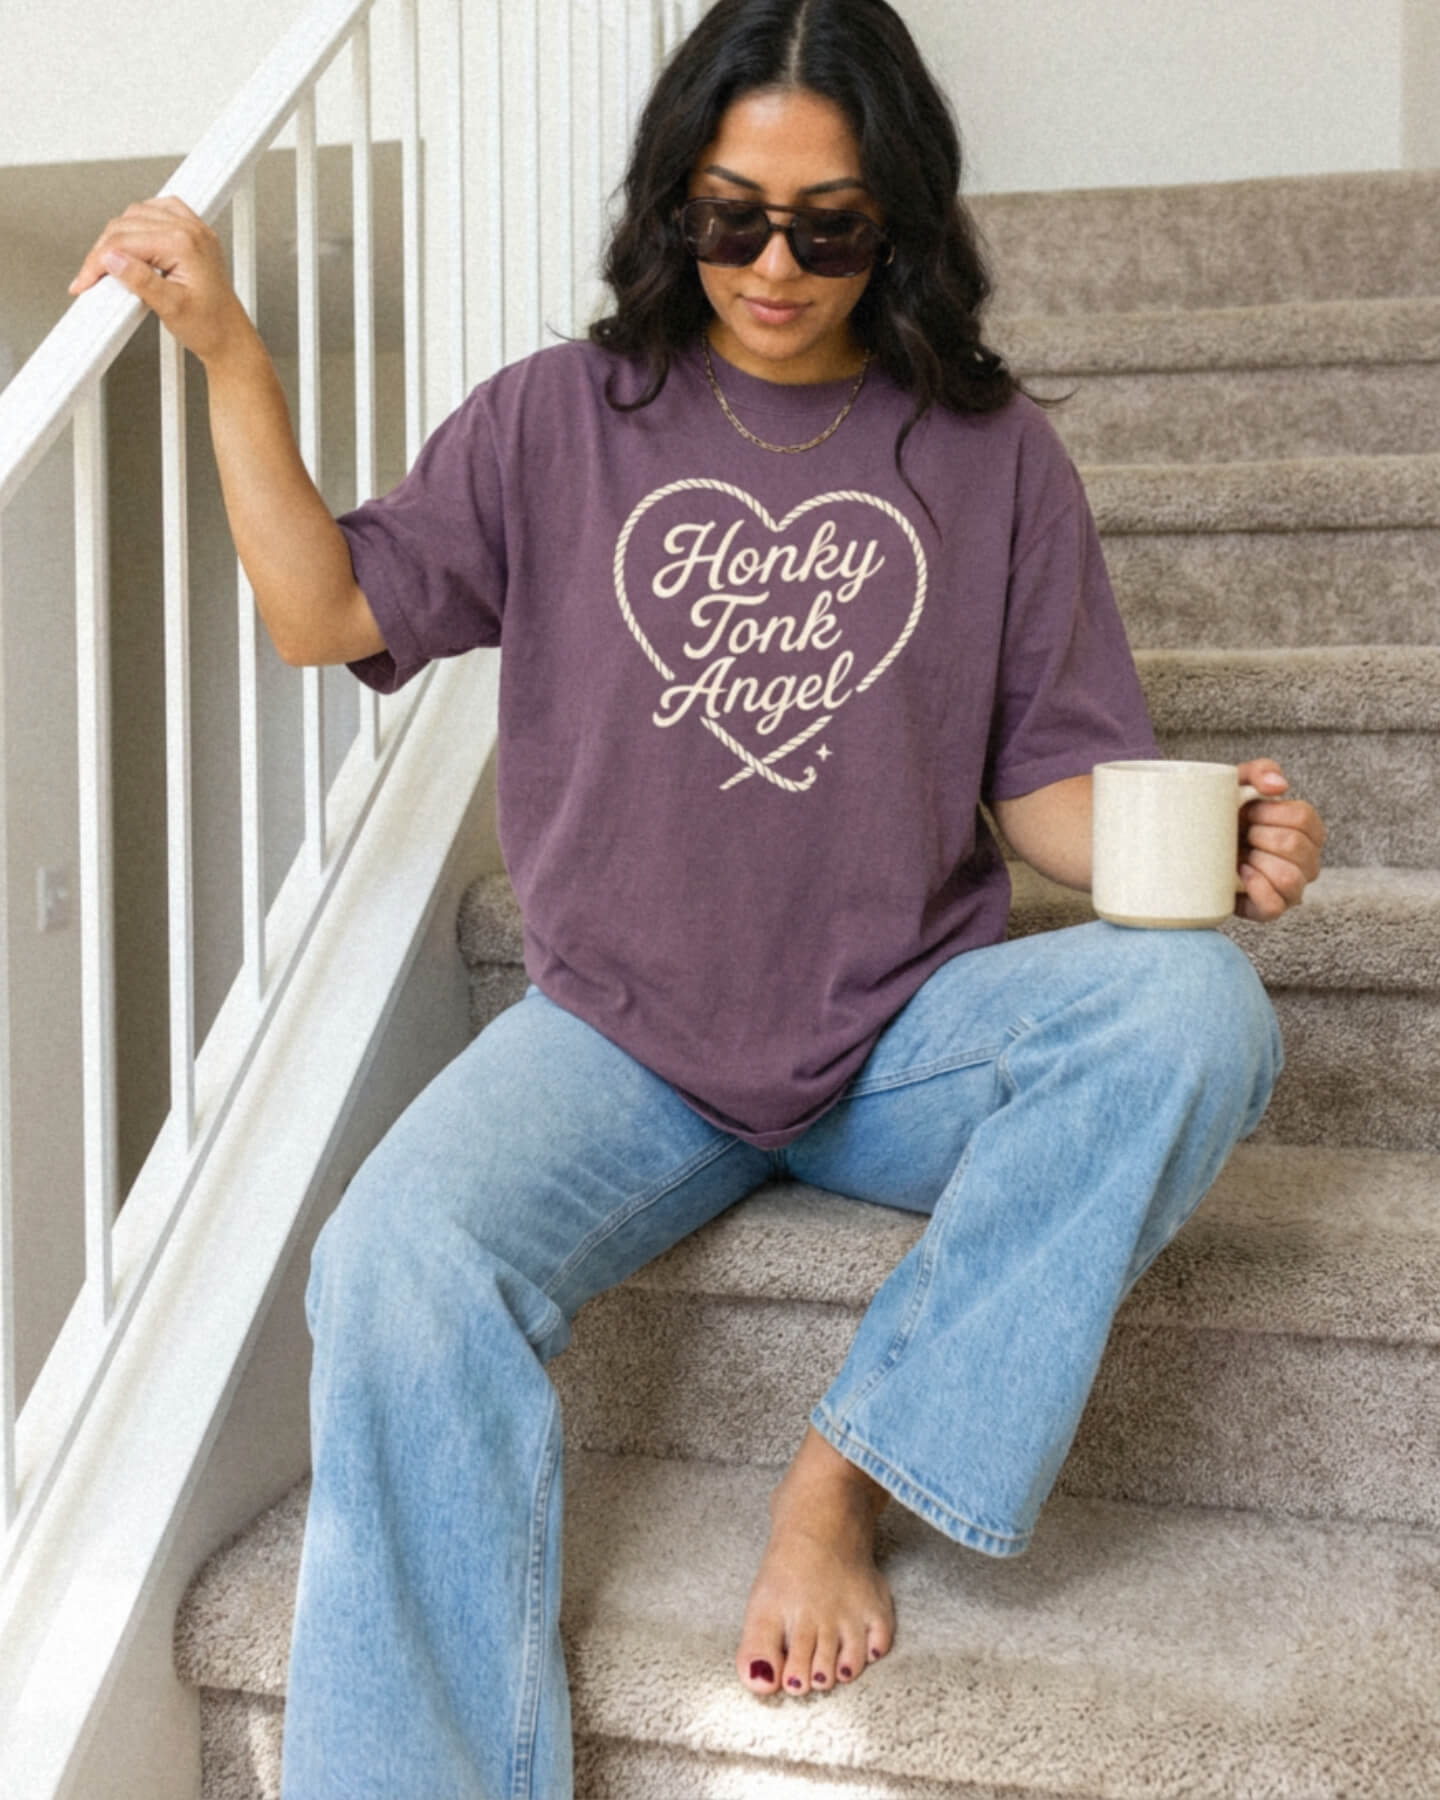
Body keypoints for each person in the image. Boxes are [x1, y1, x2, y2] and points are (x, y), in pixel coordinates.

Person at [71, 1, 1326, 1793]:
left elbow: (1053, 784)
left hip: (901, 1032)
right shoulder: (555, 422)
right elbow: (325, 614)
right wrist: (230, 361)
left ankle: (846, 1473)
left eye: (830, 226)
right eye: (732, 215)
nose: (775, 264)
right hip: (618, 1043)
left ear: (899, 223)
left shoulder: (990, 458)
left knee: (1196, 1006)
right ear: (674, 203)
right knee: (393, 1255)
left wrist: (1230, 845)